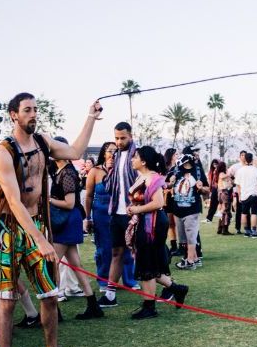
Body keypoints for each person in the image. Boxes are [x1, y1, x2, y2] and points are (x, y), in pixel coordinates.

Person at [0, 93, 100, 347]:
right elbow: (12, 200)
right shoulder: (3, 152)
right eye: (27, 110)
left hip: (36, 223)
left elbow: (75, 150)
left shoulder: (43, 142)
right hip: (8, 231)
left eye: (35, 109)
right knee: (7, 301)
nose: (33, 114)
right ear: (13, 115)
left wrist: (90, 117)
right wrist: (41, 240)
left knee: (49, 294)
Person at [0, 132, 45, 336]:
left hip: (10, 232)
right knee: (6, 278)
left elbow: (11, 204)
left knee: (8, 278)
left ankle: (11, 320)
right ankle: (31, 314)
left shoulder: (0, 175)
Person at [125, 146, 189, 320]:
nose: (132, 160)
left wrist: (137, 210)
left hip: (151, 224)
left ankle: (149, 306)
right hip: (147, 222)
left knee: (146, 263)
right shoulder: (143, 177)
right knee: (149, 262)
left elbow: (158, 202)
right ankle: (177, 289)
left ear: (144, 161)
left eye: (135, 157)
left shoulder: (152, 178)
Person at [47, 136, 99, 318]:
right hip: (68, 220)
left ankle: (54, 310)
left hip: (67, 220)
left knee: (53, 265)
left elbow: (70, 203)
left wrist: (48, 200)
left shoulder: (67, 173)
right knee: (76, 264)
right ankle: (93, 304)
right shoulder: (59, 170)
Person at [102, 122, 137, 309]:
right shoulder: (114, 156)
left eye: (123, 138)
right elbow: (109, 187)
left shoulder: (138, 155)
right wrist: (109, 169)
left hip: (135, 212)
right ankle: (109, 294)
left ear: (130, 136)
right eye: (116, 138)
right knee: (116, 252)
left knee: (141, 253)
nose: (119, 141)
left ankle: (163, 288)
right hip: (116, 212)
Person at [172, 153, 209, 268]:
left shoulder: (197, 172)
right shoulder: (175, 171)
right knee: (183, 238)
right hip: (178, 209)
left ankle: (190, 261)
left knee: (191, 235)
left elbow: (207, 190)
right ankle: (195, 258)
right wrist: (170, 182)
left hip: (192, 209)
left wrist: (201, 188)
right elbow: (166, 185)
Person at [232, 152, 257, 238]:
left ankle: (246, 231)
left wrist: (239, 195)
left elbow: (237, 185)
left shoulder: (240, 171)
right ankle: (254, 231)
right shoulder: (256, 170)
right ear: (252, 160)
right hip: (254, 193)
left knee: (244, 213)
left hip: (244, 194)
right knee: (254, 213)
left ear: (244, 159)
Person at [215, 160, 235, 235]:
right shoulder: (221, 174)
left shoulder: (221, 174)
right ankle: (225, 229)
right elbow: (224, 176)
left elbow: (231, 183)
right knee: (226, 211)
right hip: (224, 193)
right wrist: (229, 173)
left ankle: (220, 228)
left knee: (223, 211)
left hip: (221, 193)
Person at [205, 158, 223, 223]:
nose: (215, 165)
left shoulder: (221, 171)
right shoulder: (211, 172)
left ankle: (225, 218)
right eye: (213, 164)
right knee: (213, 204)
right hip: (214, 189)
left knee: (223, 204)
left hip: (220, 189)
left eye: (216, 164)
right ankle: (209, 219)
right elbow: (210, 181)